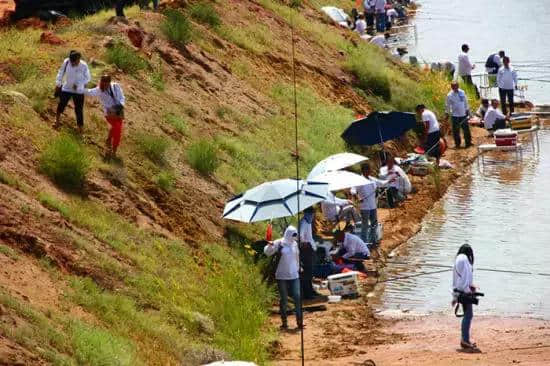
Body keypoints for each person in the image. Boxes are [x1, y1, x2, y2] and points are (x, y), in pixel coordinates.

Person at [264, 226, 302, 330]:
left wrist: (299, 268)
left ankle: (299, 321)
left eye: (295, 234)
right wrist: (269, 246)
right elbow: (267, 252)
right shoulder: (279, 243)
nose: (294, 237)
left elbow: (297, 257)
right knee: (284, 299)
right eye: (293, 234)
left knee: (297, 297)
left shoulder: (295, 244)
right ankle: (284, 322)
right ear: (288, 234)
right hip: (282, 275)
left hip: (294, 275)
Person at [86, 75, 126, 157]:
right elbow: (89, 92)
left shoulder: (115, 86)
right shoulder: (99, 90)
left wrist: (121, 105)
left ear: (109, 82)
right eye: (102, 82)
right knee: (118, 129)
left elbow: (122, 97)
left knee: (116, 128)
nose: (104, 84)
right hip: (109, 113)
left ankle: (108, 140)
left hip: (118, 112)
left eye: (106, 83)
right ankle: (114, 150)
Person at [351, 164, 388, 245]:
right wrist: (358, 197)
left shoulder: (371, 179)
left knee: (374, 223)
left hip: (373, 206)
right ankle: (364, 242)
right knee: (365, 225)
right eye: (368, 170)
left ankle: (374, 240)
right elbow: (353, 190)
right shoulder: (359, 180)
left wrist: (390, 180)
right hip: (365, 207)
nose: (369, 172)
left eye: (369, 170)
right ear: (364, 171)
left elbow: (381, 183)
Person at [55, 50, 91, 132]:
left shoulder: (84, 65)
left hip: (78, 91)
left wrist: (79, 84)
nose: (72, 64)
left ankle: (80, 128)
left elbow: (88, 78)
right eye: (71, 62)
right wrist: (58, 83)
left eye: (74, 62)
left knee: (79, 109)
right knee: (61, 104)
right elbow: (61, 72)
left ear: (79, 59)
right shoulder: (67, 62)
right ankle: (57, 121)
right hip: (66, 88)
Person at [452, 244, 479, 351]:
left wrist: (454, 296)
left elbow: (457, 280)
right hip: (464, 292)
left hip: (459, 291)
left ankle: (465, 340)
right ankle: (464, 340)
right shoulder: (464, 260)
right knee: (468, 315)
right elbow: (466, 278)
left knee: (467, 315)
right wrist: (469, 290)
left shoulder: (458, 259)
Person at [299, 208, 319, 300]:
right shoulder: (304, 222)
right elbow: (301, 236)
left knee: (310, 273)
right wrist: (306, 245)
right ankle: (308, 293)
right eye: (311, 214)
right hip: (307, 250)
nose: (313, 216)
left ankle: (311, 290)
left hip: (310, 248)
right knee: (307, 273)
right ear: (307, 213)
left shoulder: (308, 222)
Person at [445, 81, 472, 149]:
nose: (455, 88)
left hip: (463, 114)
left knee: (466, 129)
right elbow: (447, 106)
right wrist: (447, 114)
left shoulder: (462, 92)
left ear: (458, 86)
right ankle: (457, 144)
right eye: (454, 87)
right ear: (452, 87)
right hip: (455, 115)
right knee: (456, 130)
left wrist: (468, 111)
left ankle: (468, 143)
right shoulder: (449, 95)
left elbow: (466, 102)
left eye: (456, 86)